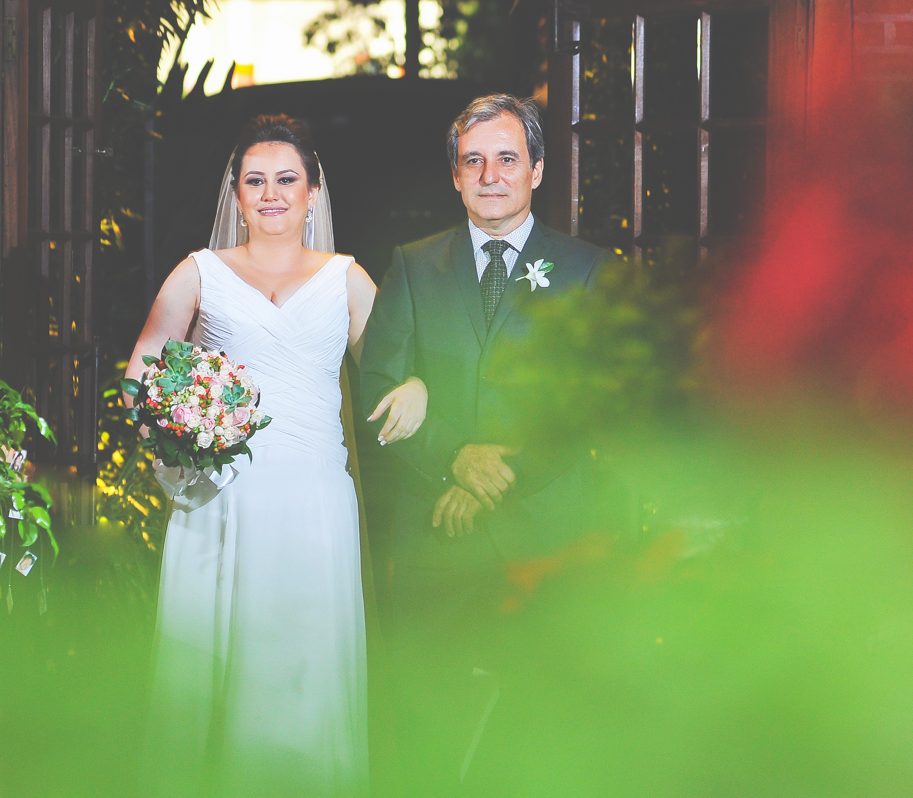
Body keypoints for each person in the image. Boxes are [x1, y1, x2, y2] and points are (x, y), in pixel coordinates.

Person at [130, 114, 427, 797]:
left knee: (304, 661)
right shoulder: (199, 271)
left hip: (315, 498)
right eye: (255, 180)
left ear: (314, 192)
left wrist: (413, 384)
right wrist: (174, 426)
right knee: (216, 661)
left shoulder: (347, 279)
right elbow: (143, 367)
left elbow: (394, 367)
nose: (271, 193)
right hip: (222, 494)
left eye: (286, 180)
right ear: (235, 194)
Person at [360, 94, 611, 791]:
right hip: (435, 545)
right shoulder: (412, 267)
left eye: (507, 158)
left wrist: (495, 477)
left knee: (548, 735)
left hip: (548, 536)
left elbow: (595, 404)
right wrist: (452, 462)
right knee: (429, 737)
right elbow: (375, 385)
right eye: (474, 161)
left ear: (536, 170)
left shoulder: (588, 271)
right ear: (455, 176)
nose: (491, 174)